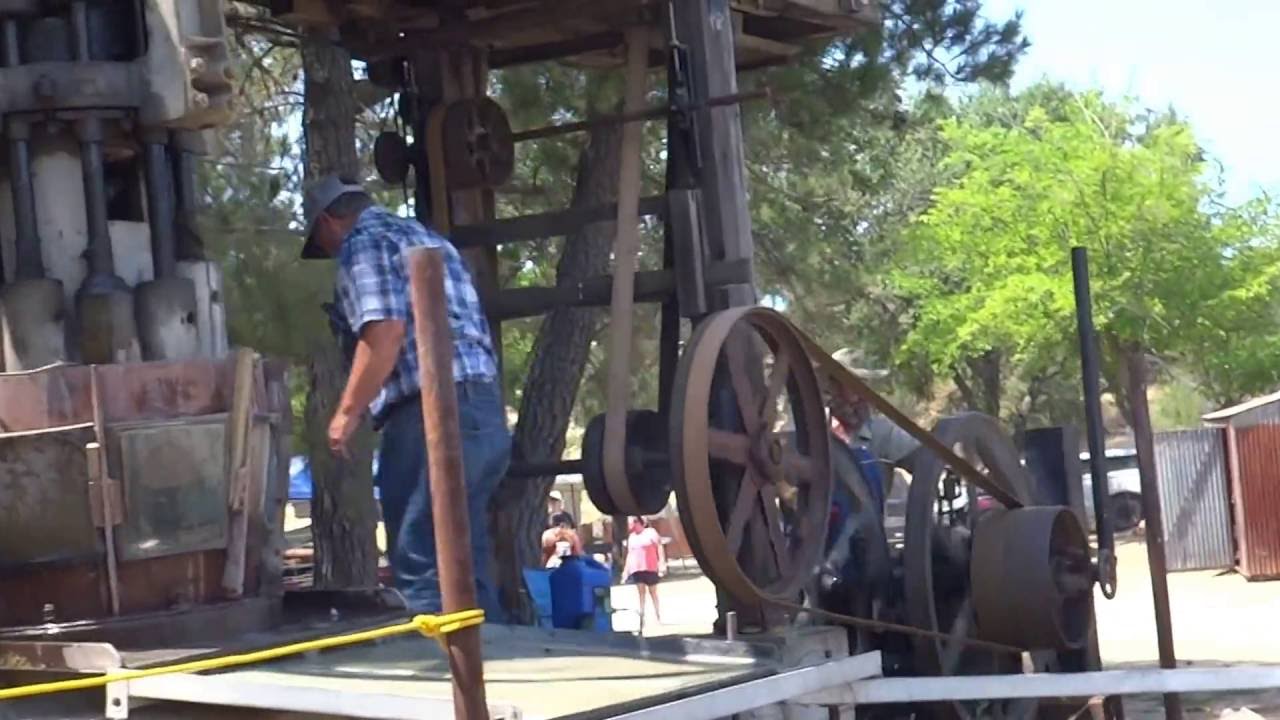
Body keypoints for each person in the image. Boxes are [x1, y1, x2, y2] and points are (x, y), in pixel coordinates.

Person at [300, 174, 510, 620]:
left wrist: (347, 413)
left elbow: (384, 331)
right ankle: (496, 666)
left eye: (323, 245)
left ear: (327, 223)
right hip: (483, 408)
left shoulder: (363, 243)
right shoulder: (427, 238)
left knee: (422, 559)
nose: (331, 256)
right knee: (464, 562)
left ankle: (445, 679)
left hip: (428, 412)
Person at [622, 516, 665, 633]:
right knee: (641, 593)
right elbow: (629, 555)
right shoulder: (631, 537)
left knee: (653, 592)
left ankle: (658, 616)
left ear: (638, 523)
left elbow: (659, 548)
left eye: (631, 523)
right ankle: (642, 617)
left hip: (650, 567)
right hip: (637, 568)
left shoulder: (651, 533)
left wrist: (661, 563)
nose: (629, 525)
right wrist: (626, 571)